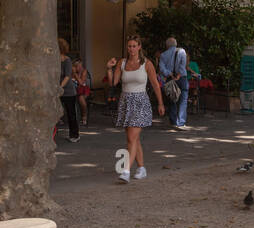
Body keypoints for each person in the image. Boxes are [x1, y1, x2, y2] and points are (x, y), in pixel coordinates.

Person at [106, 37, 165, 181]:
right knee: (133, 138)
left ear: (139, 47)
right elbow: (113, 82)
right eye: (129, 46)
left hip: (140, 102)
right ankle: (141, 168)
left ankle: (125, 171)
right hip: (126, 101)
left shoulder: (147, 64)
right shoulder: (122, 63)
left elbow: (155, 84)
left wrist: (160, 103)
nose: (131, 49)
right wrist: (109, 68)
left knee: (132, 137)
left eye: (134, 46)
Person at [157, 36, 190, 128]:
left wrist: (170, 74)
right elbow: (183, 64)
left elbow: (162, 68)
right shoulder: (182, 51)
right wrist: (178, 75)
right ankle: (181, 122)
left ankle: (173, 121)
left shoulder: (163, 55)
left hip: (170, 79)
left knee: (172, 99)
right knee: (183, 100)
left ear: (167, 45)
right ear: (176, 44)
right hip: (182, 78)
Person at [58, 38, 80, 143]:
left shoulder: (67, 60)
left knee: (71, 113)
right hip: (57, 90)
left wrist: (59, 87)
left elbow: (67, 76)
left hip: (68, 91)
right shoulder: (53, 61)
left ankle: (74, 135)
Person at [72, 59, 93, 125]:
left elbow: (81, 83)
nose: (80, 68)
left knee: (81, 98)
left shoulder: (84, 71)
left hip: (83, 89)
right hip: (73, 90)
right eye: (77, 66)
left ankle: (84, 117)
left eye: (80, 66)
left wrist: (75, 74)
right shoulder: (71, 72)